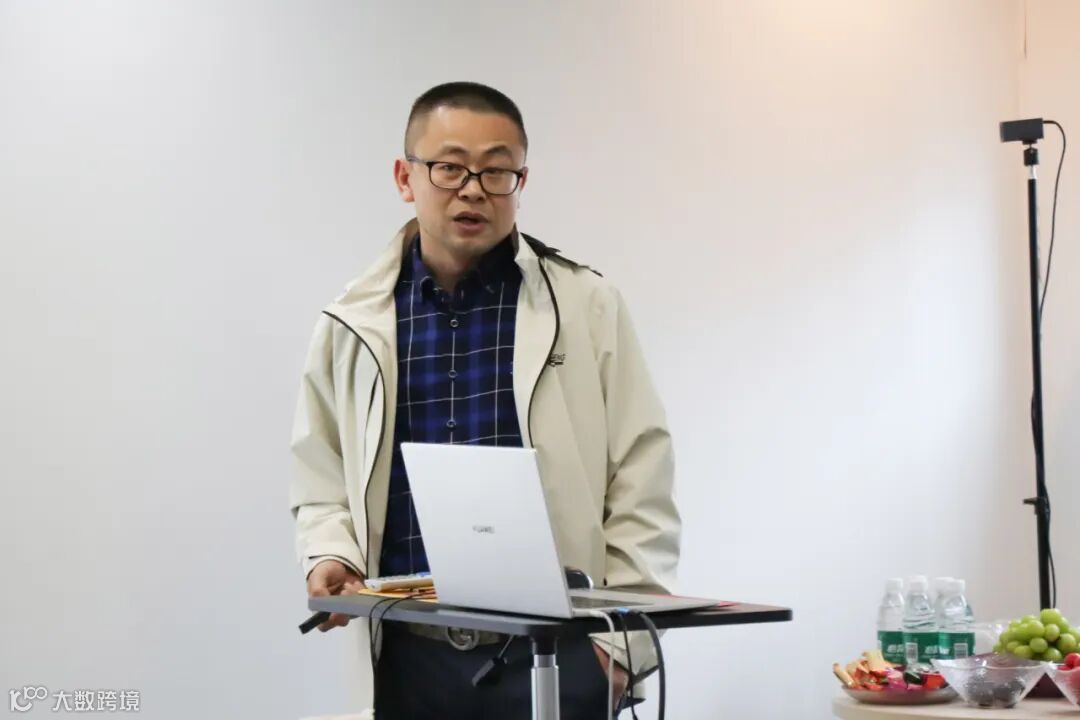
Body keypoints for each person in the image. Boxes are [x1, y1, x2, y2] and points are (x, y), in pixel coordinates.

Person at [289, 81, 681, 719]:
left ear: (521, 183)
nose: (473, 190)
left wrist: (618, 651)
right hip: (406, 654)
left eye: (497, 172)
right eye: (449, 167)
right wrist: (331, 553)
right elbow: (320, 469)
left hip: (555, 653)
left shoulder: (586, 307)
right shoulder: (352, 321)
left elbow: (642, 470)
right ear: (405, 177)